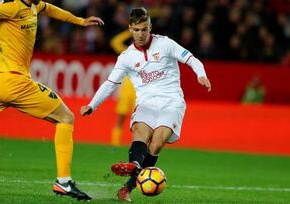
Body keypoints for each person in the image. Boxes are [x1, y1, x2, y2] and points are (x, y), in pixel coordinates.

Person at [0, 0, 104, 201]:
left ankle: (64, 182)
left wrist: (80, 21)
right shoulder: (11, 7)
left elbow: (50, 9)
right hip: (15, 83)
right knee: (65, 118)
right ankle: (64, 182)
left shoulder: (34, 4)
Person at [80, 7, 211, 202]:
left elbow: (191, 59)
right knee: (140, 134)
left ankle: (128, 185)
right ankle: (132, 167)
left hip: (172, 101)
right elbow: (110, 83)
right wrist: (92, 105)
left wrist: (201, 74)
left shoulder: (165, 44)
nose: (141, 34)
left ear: (150, 27)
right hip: (146, 103)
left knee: (156, 144)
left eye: (144, 29)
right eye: (137, 30)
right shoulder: (126, 57)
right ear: (130, 29)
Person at [109, 29, 136, 146]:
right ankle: (115, 144)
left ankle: (136, 147)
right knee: (120, 119)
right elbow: (115, 42)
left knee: (139, 122)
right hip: (126, 90)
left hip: (140, 92)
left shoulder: (148, 55)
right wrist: (130, 32)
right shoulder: (126, 53)